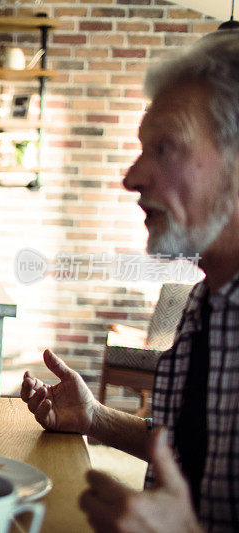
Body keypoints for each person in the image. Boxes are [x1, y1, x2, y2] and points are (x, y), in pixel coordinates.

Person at [21, 31, 239, 533]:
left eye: (165, 148)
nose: (132, 177)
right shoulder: (209, 299)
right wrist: (95, 418)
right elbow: (189, 444)